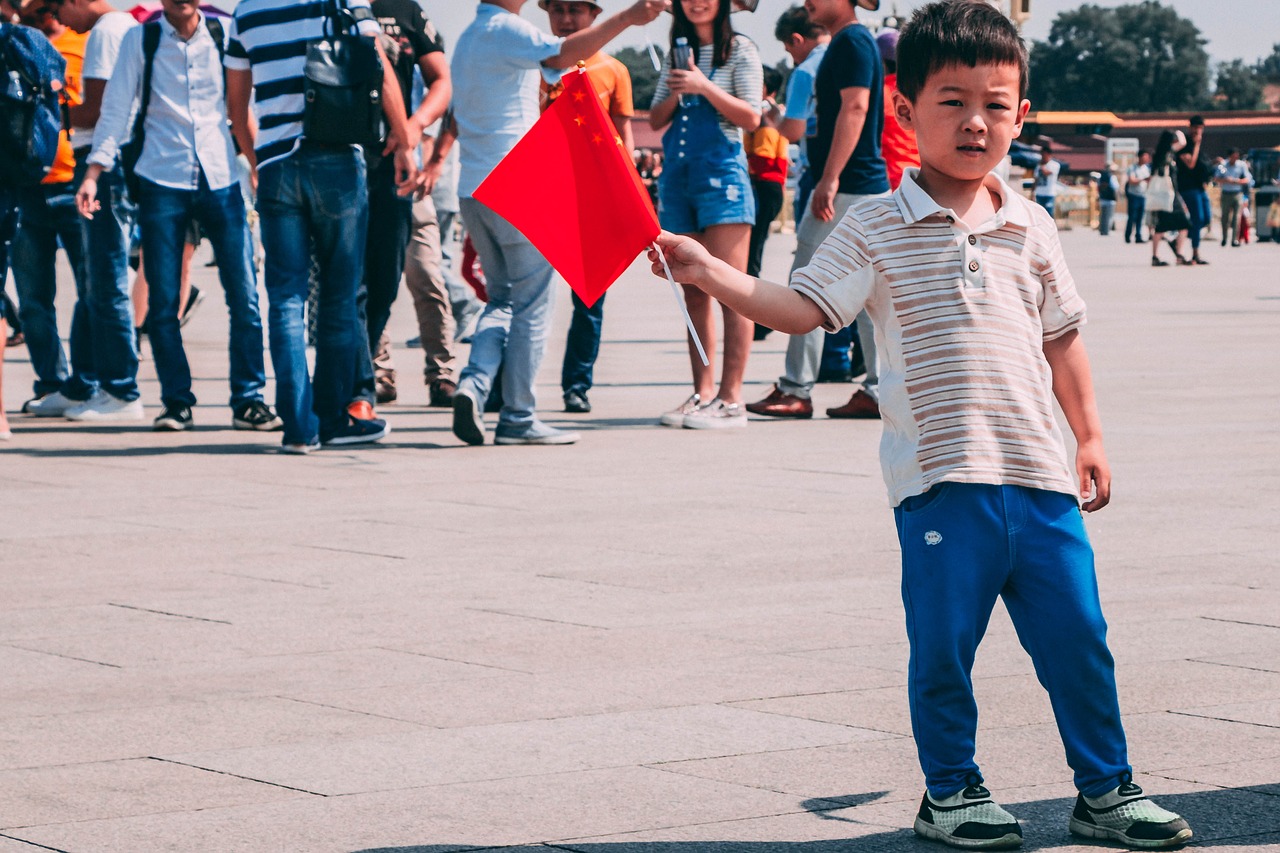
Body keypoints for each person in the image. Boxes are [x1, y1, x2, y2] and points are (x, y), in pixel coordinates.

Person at [647, 2, 1194, 849]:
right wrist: (712, 269)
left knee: (1081, 642)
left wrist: (1088, 435)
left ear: (1021, 113)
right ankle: (951, 791)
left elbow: (1065, 340)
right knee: (943, 650)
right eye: (952, 101)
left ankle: (1106, 788)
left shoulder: (1033, 224)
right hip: (941, 483)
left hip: (1041, 480)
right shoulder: (874, 223)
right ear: (905, 110)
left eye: (997, 103)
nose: (976, 121)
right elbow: (800, 307)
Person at [445, 0, 667, 447]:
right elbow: (563, 54)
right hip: (513, 184)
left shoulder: (470, 37)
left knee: (501, 301)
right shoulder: (508, 30)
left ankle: (474, 383)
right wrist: (627, 17)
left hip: (473, 189)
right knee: (530, 308)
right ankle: (518, 417)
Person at [77, 0, 281, 433]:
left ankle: (249, 399)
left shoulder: (227, 33)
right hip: (162, 177)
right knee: (164, 302)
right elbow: (115, 108)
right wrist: (94, 171)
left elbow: (245, 103)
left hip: (222, 177)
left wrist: (259, 165)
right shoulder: (142, 38)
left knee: (245, 295)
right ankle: (176, 402)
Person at [225, 0, 418, 453]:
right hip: (335, 156)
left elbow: (236, 106)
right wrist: (405, 140)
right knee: (338, 295)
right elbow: (377, 61)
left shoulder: (246, 10)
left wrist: (261, 162)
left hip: (275, 164)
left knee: (286, 298)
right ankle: (332, 419)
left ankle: (297, 428)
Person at [745, 0, 887, 423]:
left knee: (805, 284)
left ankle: (796, 389)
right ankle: (879, 388)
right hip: (859, 184)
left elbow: (855, 108)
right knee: (867, 293)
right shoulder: (853, 42)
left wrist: (829, 179)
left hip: (846, 187)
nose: (807, 2)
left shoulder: (852, 42)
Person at [649, 0, 763, 430]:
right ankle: (702, 392)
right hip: (677, 177)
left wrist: (703, 85)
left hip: (723, 176)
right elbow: (657, 118)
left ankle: (732, 398)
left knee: (733, 290)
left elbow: (751, 116)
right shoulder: (677, 52)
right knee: (692, 290)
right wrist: (679, 87)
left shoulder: (741, 50)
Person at [350, 0, 451, 411]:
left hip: (402, 166)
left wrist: (413, 128)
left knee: (422, 274)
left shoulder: (405, 10)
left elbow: (442, 82)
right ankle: (375, 369)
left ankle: (441, 372)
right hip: (348, 161)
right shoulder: (332, 7)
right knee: (361, 279)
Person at [539, 0, 636, 416]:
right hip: (542, 188)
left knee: (589, 298)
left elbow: (624, 137)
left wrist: (628, 194)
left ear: (595, 16)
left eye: (575, 10)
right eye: (557, 9)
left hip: (592, 195)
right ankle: (502, 383)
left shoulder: (614, 70)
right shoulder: (537, 63)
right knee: (524, 295)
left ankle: (577, 385)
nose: (565, 19)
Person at [47, 0, 142, 421]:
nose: (60, 20)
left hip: (102, 163)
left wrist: (49, 112)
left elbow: (98, 110)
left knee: (104, 278)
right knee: (94, 280)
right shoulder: (124, 27)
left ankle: (121, 391)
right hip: (111, 162)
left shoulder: (105, 33)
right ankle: (83, 382)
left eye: (56, 7)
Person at [10, 2, 91, 419]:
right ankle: (51, 382)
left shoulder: (86, 43)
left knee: (91, 289)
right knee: (33, 300)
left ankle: (85, 381)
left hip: (75, 183)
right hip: (26, 188)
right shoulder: (14, 48)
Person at [744, 66, 786, 282]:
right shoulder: (774, 114)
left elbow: (763, 161)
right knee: (752, 251)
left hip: (763, 186)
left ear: (765, 88)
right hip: (768, 187)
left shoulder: (765, 117)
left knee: (751, 254)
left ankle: (754, 311)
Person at [1149, 129, 1192, 268]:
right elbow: (1183, 142)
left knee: (1162, 226)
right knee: (1183, 224)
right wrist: (1179, 131)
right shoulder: (1167, 154)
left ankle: (1157, 256)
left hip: (1167, 195)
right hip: (1169, 195)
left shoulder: (1160, 155)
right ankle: (1177, 254)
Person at [1176, 115, 1211, 265]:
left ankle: (1178, 238)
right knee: (1197, 219)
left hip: (1200, 187)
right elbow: (1191, 164)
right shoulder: (1184, 144)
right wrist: (1196, 145)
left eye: (1201, 128)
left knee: (1205, 219)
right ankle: (1195, 252)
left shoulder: (1199, 144)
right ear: (1190, 127)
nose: (1198, 131)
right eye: (1196, 127)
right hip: (1188, 188)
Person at [1215, 148, 1252, 248]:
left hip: (1237, 193)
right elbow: (1216, 178)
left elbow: (1247, 179)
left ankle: (1234, 239)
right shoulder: (1223, 165)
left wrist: (1237, 181)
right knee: (1225, 218)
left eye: (1237, 157)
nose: (1235, 159)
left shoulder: (1241, 165)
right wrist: (1225, 180)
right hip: (1226, 193)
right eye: (1233, 157)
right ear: (1229, 156)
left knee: (1237, 218)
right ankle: (1224, 238)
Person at [1123, 149, 1150, 244]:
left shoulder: (1146, 168)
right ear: (1140, 157)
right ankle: (1128, 235)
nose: (1146, 159)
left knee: (1140, 217)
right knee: (1132, 217)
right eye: (1144, 156)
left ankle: (1138, 235)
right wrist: (1143, 179)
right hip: (1134, 195)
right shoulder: (1132, 168)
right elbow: (1131, 181)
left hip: (1143, 195)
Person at [1033, 144, 1059, 215]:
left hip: (1049, 193)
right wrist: (1033, 192)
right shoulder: (1038, 166)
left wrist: (1042, 166)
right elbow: (1036, 179)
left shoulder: (1054, 165)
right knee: (1040, 214)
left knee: (1049, 213)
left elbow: (1047, 173)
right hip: (1039, 193)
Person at [1095, 164, 1117, 236]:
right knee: (1109, 216)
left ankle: (1102, 230)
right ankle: (1107, 230)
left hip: (1103, 198)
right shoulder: (1112, 177)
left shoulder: (1101, 176)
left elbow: (1098, 186)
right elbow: (1115, 186)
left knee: (1102, 216)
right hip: (1110, 199)